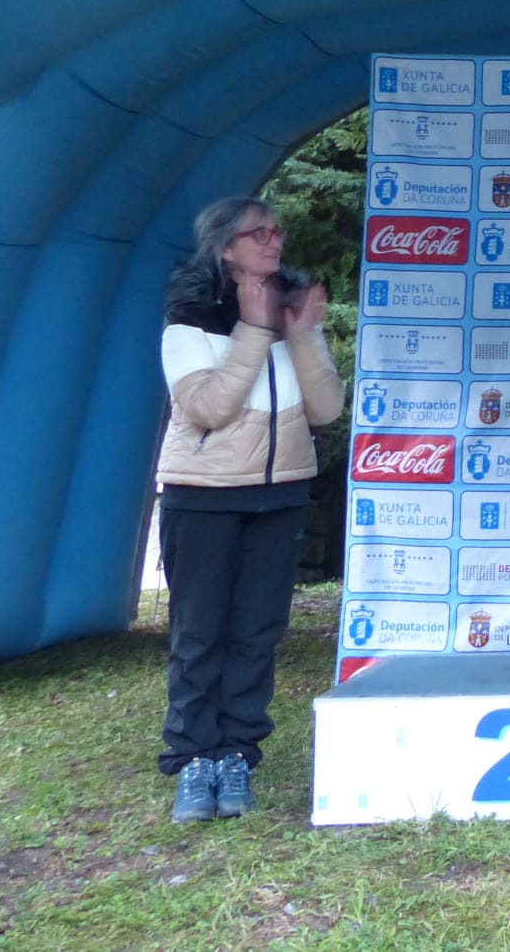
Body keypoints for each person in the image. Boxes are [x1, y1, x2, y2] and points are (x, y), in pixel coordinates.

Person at [156, 197, 342, 824]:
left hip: (281, 492)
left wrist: (303, 333)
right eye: (256, 232)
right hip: (202, 496)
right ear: (224, 248)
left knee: (256, 632)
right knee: (200, 631)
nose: (273, 239)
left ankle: (237, 751)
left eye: (276, 230)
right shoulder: (188, 321)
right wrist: (255, 331)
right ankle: (192, 757)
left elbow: (325, 409)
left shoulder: (287, 309)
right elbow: (208, 408)